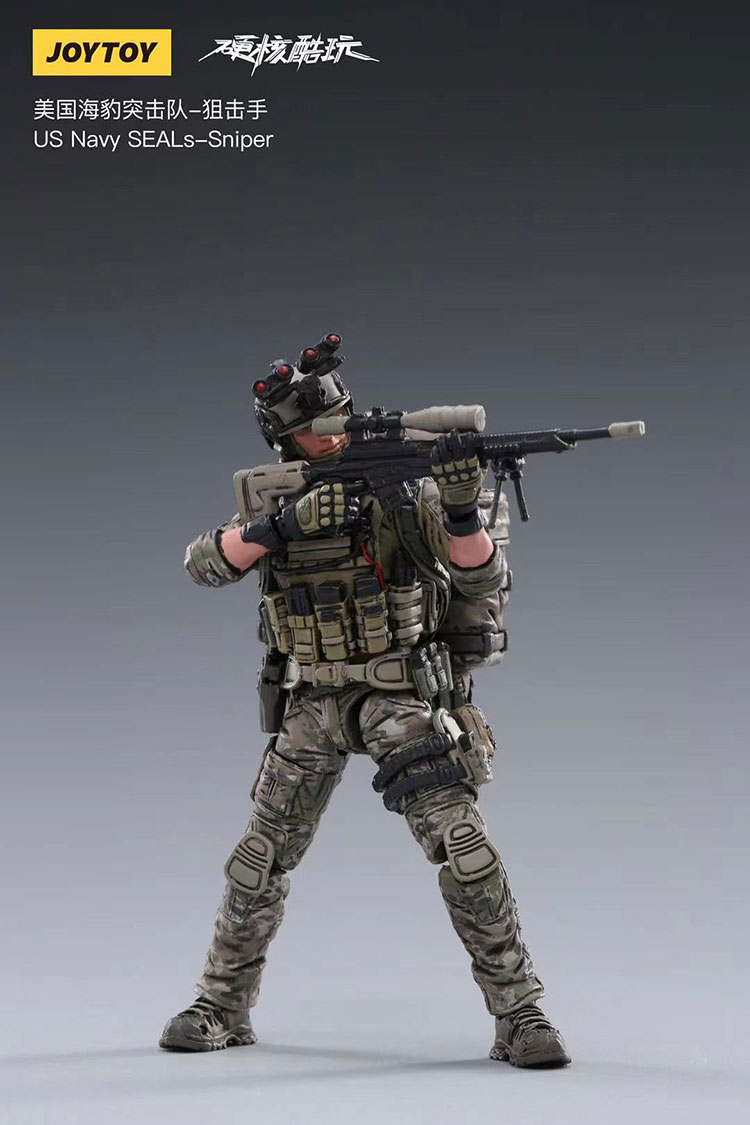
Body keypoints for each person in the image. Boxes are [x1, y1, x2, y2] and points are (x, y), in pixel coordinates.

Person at [159, 334, 570, 1068]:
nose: (332, 435)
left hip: (397, 695)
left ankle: (520, 1013)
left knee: (465, 848)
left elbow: (480, 579)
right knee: (258, 858)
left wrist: (461, 510)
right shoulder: (276, 499)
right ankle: (221, 1005)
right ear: (284, 440)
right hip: (312, 701)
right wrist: (282, 526)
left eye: (338, 419)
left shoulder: (403, 490)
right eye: (314, 430)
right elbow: (203, 563)